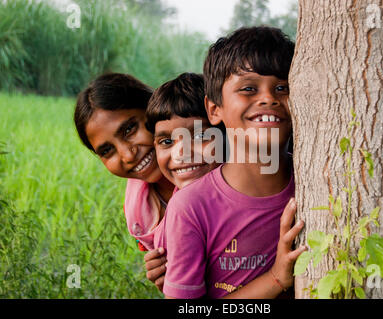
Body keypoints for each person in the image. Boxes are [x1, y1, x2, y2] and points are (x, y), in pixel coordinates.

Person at [160, 26, 307, 299]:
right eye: (249, 88)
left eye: (282, 87)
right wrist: (276, 278)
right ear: (214, 110)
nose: (268, 98)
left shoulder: (316, 180)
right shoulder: (192, 207)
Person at [74, 73, 174, 252]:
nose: (128, 155)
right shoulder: (139, 209)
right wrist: (164, 274)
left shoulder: (218, 172)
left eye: (129, 129)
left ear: (152, 108)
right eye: (107, 151)